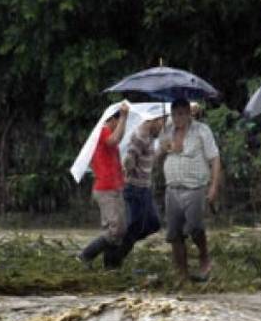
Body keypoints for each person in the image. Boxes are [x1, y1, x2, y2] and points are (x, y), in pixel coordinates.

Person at [159, 98, 221, 281]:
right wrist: (164, 149)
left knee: (195, 227)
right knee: (174, 233)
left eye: (181, 114)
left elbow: (214, 158)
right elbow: (157, 154)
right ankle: (182, 272)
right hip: (172, 187)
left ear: (188, 113)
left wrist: (214, 185)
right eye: (174, 114)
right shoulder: (167, 131)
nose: (177, 118)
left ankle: (204, 257)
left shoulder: (202, 130)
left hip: (194, 187)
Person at [78, 104, 129, 269]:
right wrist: (124, 117)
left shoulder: (104, 135)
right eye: (118, 121)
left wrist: (122, 173)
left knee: (114, 230)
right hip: (107, 188)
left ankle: (111, 266)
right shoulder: (103, 130)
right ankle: (87, 254)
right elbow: (115, 139)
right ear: (112, 119)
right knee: (116, 230)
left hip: (112, 186)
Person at [113, 114, 165, 266]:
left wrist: (161, 150)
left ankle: (120, 248)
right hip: (134, 188)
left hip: (145, 188)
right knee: (134, 226)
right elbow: (129, 158)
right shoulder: (140, 136)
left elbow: (150, 159)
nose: (162, 128)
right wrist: (128, 167)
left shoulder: (149, 136)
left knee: (154, 224)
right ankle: (116, 257)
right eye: (161, 123)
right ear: (154, 120)